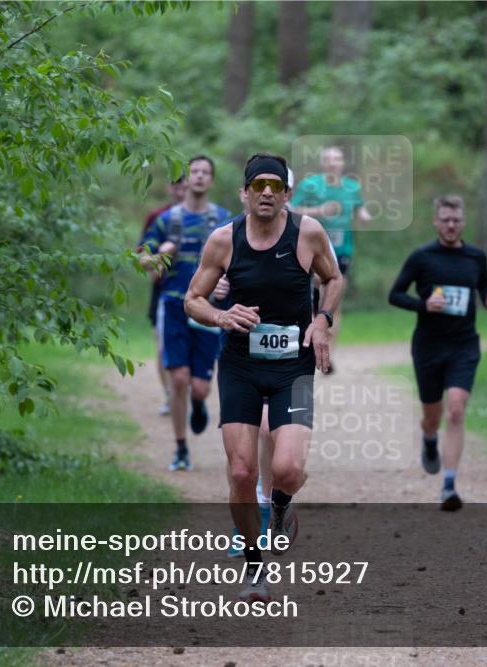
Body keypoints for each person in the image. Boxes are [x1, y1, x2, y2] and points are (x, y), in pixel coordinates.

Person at [185, 152, 343, 602]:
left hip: (292, 366)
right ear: (245, 193)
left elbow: (333, 280)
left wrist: (322, 321)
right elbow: (192, 299)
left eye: (276, 186)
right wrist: (219, 315)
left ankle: (281, 505)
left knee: (288, 469)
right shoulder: (223, 239)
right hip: (240, 365)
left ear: (287, 194)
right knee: (240, 471)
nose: (267, 192)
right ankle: (255, 566)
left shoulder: (307, 232)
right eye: (259, 186)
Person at [387, 195, 487, 512]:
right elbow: (394, 295)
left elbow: (485, 286)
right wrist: (423, 305)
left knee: (455, 410)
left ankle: (449, 486)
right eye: (445, 220)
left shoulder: (475, 257)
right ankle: (428, 438)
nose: (451, 225)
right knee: (432, 415)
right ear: (436, 222)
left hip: (464, 345)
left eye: (456, 220)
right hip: (428, 345)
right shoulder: (422, 257)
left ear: (463, 222)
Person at [139, 155, 231, 471]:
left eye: (207, 172)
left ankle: (198, 402)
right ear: (187, 178)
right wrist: (160, 256)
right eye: (195, 171)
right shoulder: (167, 220)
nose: (200, 176)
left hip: (207, 310)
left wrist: (226, 284)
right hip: (174, 306)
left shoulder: (223, 220)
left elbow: (240, 263)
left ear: (212, 180)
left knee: (201, 387)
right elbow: (142, 260)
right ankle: (180, 449)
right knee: (178, 379)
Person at [289, 146, 371, 372]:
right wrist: (320, 211)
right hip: (313, 250)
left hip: (342, 250)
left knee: (334, 301)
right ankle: (310, 344)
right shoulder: (311, 185)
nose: (333, 163)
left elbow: (359, 207)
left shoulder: (351, 187)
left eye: (337, 159)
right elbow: (292, 209)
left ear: (343, 163)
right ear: (323, 163)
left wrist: (364, 215)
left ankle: (328, 356)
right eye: (328, 159)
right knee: (313, 298)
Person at [139, 173, 188, 417]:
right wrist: (162, 254)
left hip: (196, 292)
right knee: (162, 347)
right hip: (164, 290)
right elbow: (143, 258)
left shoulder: (207, 219)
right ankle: (171, 395)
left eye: (185, 187)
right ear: (170, 188)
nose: (181, 191)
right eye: (177, 187)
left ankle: (185, 393)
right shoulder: (157, 217)